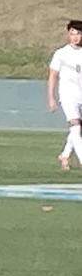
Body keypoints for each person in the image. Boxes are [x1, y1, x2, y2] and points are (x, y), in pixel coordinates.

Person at [47, 20, 82, 170]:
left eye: (78, 34)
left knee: (79, 128)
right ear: (68, 34)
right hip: (68, 95)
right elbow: (53, 75)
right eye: (72, 33)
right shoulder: (61, 53)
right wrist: (51, 98)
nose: (75, 37)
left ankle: (65, 155)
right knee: (75, 125)